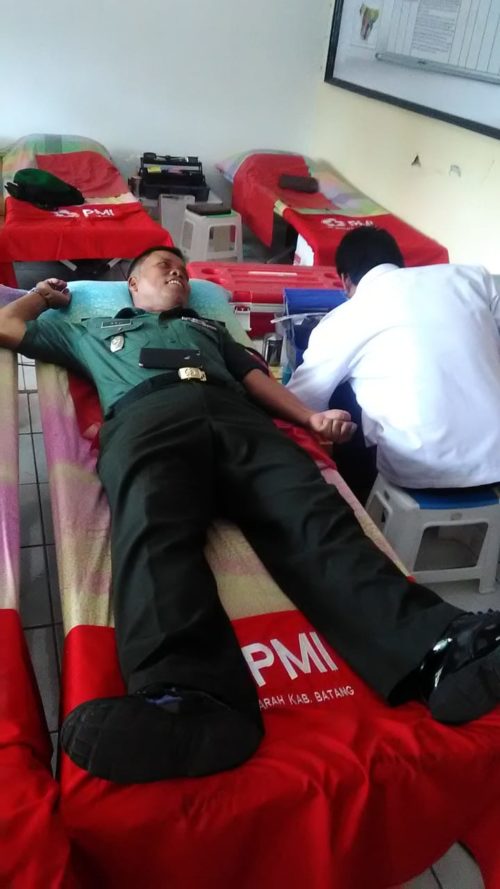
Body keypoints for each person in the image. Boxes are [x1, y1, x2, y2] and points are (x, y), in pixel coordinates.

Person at [2, 245, 500, 786]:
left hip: (238, 420)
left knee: (314, 517)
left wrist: (310, 419)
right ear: (133, 284)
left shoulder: (210, 329)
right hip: (148, 421)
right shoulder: (89, 327)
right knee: (152, 528)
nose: (178, 274)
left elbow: (257, 382)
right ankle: (189, 695)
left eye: (183, 270)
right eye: (164, 267)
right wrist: (41, 296)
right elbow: (7, 327)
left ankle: (438, 650)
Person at [287, 226, 500, 500]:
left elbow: (299, 402)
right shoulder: (472, 277)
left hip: (423, 469)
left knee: (345, 396)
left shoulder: (346, 317)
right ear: (399, 262)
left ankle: (356, 500)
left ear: (345, 280)